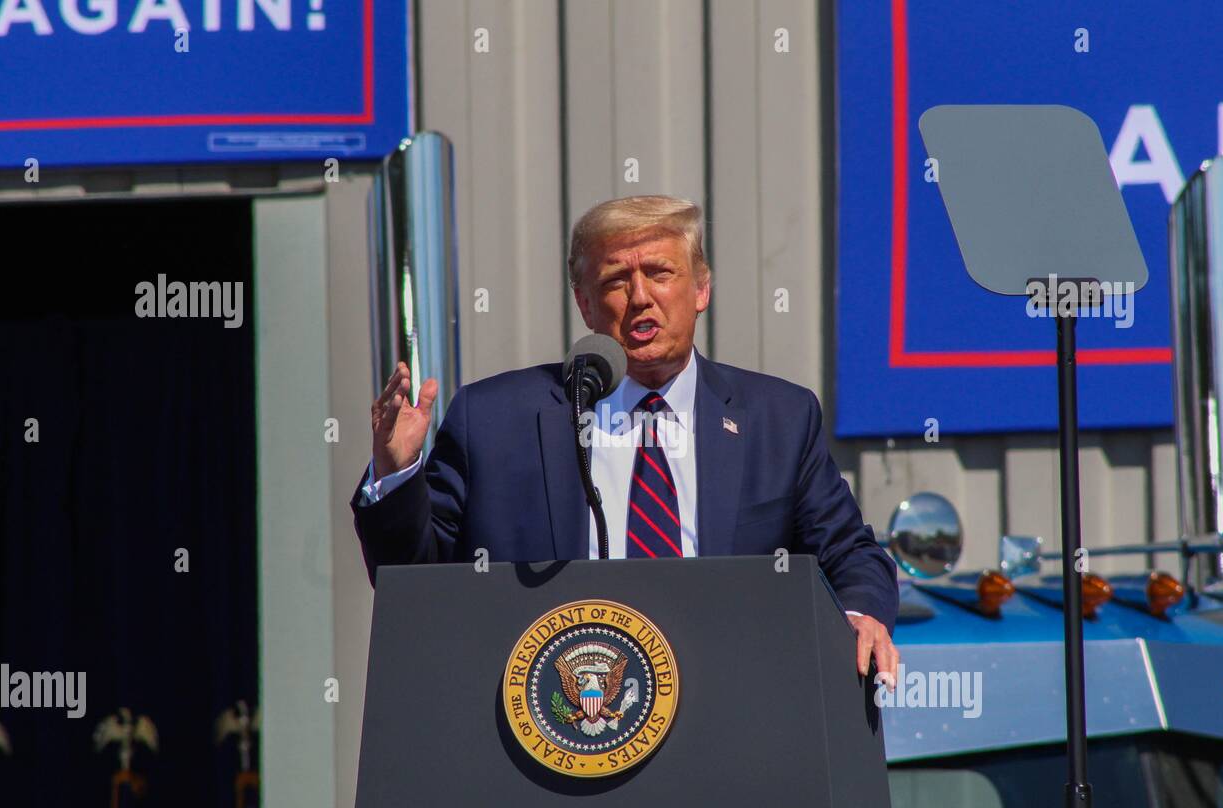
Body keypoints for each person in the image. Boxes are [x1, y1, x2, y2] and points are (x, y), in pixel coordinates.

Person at [352, 195, 900, 687]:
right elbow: (414, 583)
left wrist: (858, 616)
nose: (640, 297)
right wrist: (396, 474)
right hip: (553, 725)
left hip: (729, 715)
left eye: (660, 273)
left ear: (701, 288)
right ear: (585, 304)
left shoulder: (777, 418)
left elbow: (849, 552)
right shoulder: (494, 419)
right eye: (616, 280)